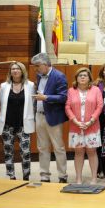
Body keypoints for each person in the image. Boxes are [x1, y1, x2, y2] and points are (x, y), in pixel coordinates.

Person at [31, 53, 68, 183]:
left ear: (46, 64)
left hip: (53, 117)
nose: (35, 69)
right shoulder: (39, 76)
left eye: (37, 66)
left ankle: (62, 176)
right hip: (40, 115)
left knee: (58, 148)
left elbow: (63, 97)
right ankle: (44, 175)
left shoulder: (59, 76)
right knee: (42, 148)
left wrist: (46, 98)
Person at [0, 61, 35, 181]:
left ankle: (26, 176)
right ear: (10, 72)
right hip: (7, 125)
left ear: (22, 71)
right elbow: (2, 104)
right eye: (13, 69)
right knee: (8, 152)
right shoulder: (3, 86)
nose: (15, 71)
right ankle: (11, 175)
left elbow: (32, 104)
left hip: (24, 124)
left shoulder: (31, 85)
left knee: (26, 152)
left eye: (18, 69)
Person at [65, 68, 103, 184]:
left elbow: (99, 106)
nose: (82, 77)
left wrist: (91, 121)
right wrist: (75, 121)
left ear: (89, 78)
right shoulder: (71, 91)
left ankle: (94, 178)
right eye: (80, 75)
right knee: (79, 152)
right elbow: (67, 107)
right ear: (76, 78)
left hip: (92, 126)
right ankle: (78, 178)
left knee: (92, 151)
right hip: (76, 126)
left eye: (85, 75)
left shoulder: (96, 90)